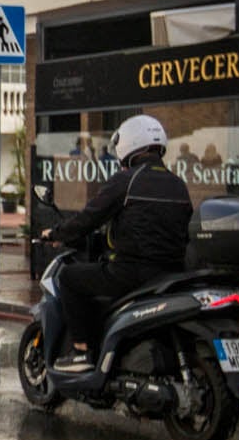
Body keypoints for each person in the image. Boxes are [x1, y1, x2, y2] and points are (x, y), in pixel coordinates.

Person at [36, 115, 193, 370]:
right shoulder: (178, 185)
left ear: (128, 143)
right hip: (172, 273)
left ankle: (81, 352)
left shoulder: (127, 180)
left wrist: (56, 234)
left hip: (131, 273)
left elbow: (89, 218)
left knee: (69, 277)